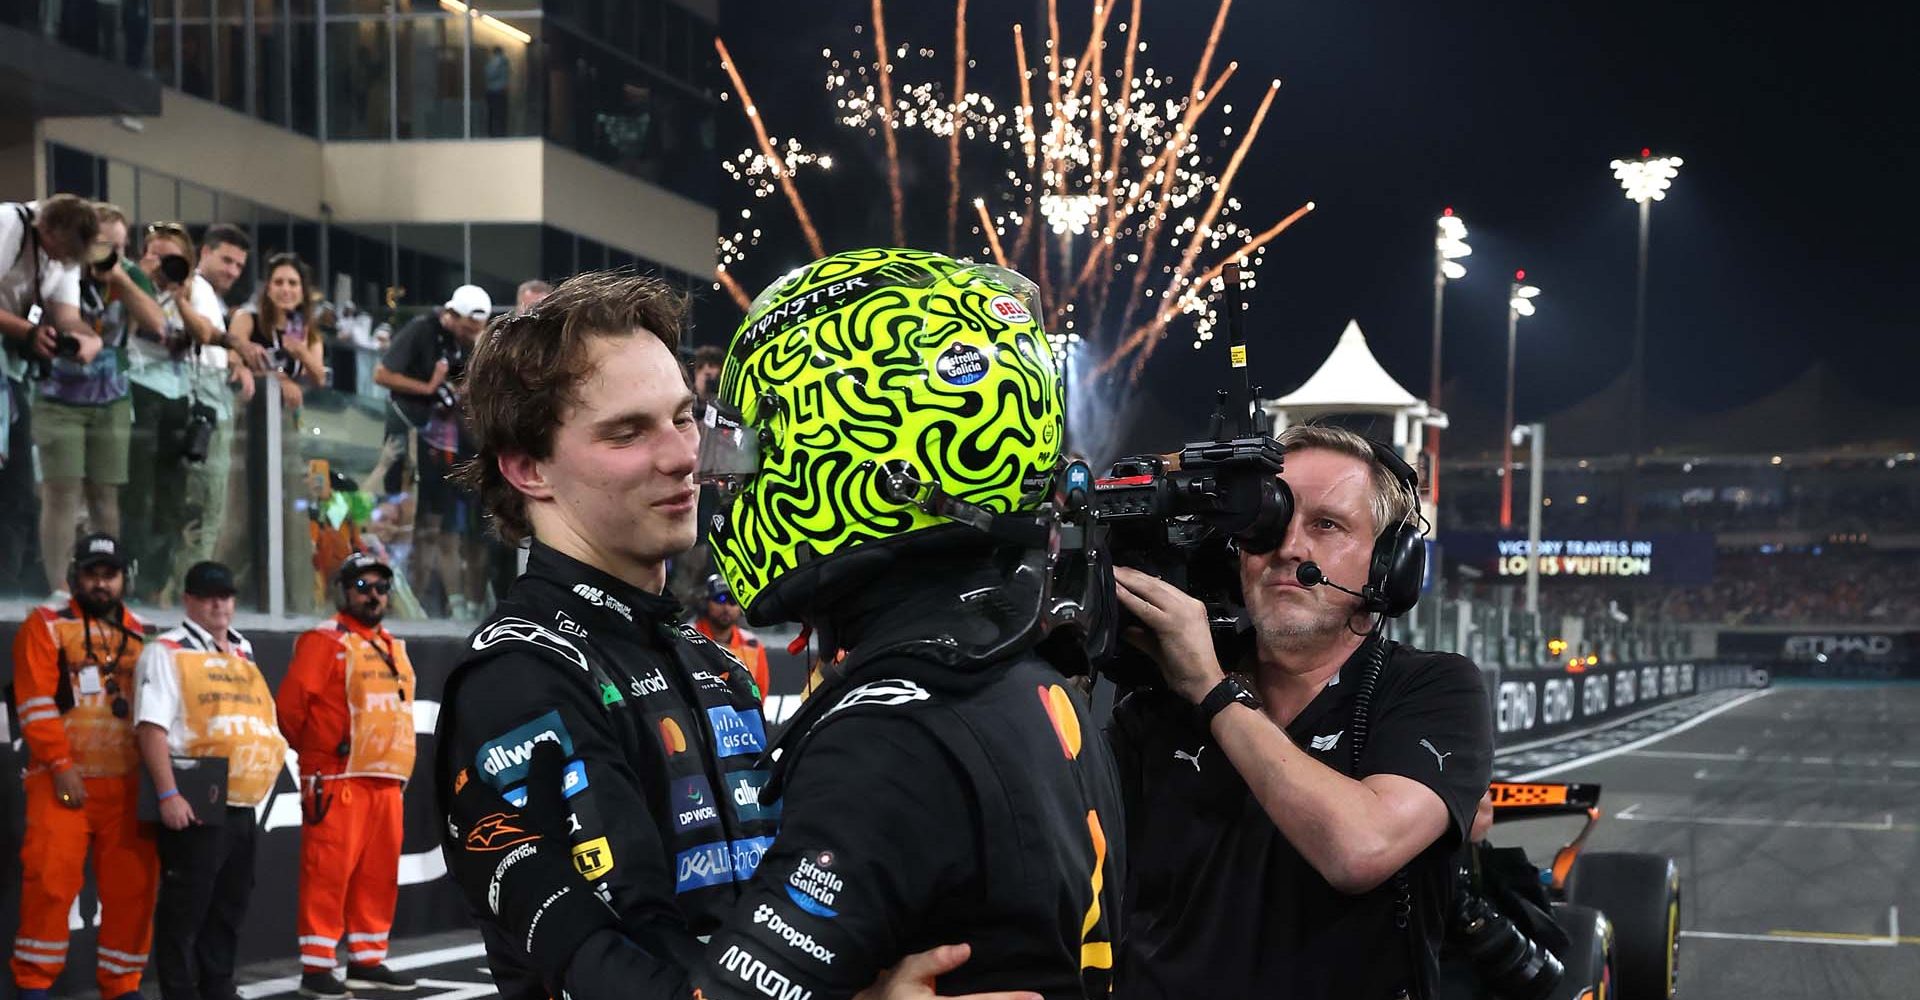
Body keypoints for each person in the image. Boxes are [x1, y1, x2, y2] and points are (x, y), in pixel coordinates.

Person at [434, 269, 1036, 1000]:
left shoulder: (711, 660)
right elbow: (618, 970)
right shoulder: (520, 675)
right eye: (628, 432)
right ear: (529, 469)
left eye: (684, 417)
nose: (685, 456)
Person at [1105, 425, 1495, 999]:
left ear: (1389, 562)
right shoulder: (1158, 702)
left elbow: (1360, 848)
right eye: (1268, 523)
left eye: (1326, 525)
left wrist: (1213, 691)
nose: (1289, 548)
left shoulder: (1433, 688)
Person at [9, 532, 156, 1000]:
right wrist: (59, 765)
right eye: (91, 573)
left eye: (109, 575)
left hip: (130, 785)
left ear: (123, 579)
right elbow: (33, 704)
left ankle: (122, 984)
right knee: (50, 885)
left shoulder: (146, 635)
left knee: (133, 892)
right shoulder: (46, 625)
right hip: (61, 783)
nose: (100, 583)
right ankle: (33, 984)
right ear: (75, 576)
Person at [133, 560, 289, 1000]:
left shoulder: (243, 649)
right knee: (185, 910)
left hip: (241, 800)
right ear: (188, 601)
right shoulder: (165, 650)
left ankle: (219, 987)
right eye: (207, 596)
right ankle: (180, 993)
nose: (219, 605)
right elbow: (150, 728)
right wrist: (168, 794)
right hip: (194, 795)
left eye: (225, 596)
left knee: (229, 906)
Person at [275, 553, 419, 998]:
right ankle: (317, 967)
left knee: (377, 876)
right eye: (362, 586)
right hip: (337, 779)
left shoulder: (394, 644)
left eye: (380, 587)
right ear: (344, 591)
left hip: (385, 781)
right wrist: (318, 756)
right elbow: (290, 710)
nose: (372, 595)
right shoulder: (324, 640)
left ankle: (367, 958)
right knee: (328, 873)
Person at [35, 202, 165, 594]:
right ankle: (59, 588)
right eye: (105, 245)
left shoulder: (127, 277)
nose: (112, 254)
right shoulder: (59, 269)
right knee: (61, 491)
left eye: (122, 247)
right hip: (58, 394)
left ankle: (109, 582)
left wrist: (121, 280)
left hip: (110, 399)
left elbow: (158, 325)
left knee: (105, 496)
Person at [121, 221, 253, 605]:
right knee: (138, 496)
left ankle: (154, 585)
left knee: (172, 500)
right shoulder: (131, 283)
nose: (164, 265)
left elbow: (204, 334)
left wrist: (179, 295)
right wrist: (139, 281)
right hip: (140, 391)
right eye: (157, 256)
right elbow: (134, 325)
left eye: (173, 259)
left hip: (179, 397)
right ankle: (131, 578)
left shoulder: (194, 292)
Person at [0, 194, 101, 593]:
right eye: (57, 252)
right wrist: (27, 332)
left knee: (19, 489)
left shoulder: (62, 253)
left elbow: (67, 314)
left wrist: (86, 341)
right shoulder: (10, 225)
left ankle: (8, 585)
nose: (59, 261)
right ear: (46, 228)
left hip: (11, 370)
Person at [372, 284, 490, 617]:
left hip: (443, 446)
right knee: (413, 523)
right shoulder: (422, 330)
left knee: (435, 526)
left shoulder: (464, 344)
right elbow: (381, 374)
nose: (471, 337)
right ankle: (411, 603)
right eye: (467, 329)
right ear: (451, 316)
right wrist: (427, 387)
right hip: (409, 437)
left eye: (475, 332)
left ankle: (426, 603)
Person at [231, 252, 328, 611]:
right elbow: (233, 353)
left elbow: (319, 375)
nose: (286, 290)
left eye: (293, 284)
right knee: (240, 516)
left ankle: (290, 601)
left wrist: (298, 349)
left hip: (286, 432)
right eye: (279, 283)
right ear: (267, 288)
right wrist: (280, 377)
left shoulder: (306, 331)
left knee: (288, 519)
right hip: (246, 427)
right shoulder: (247, 318)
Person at [690, 574, 769, 702]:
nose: (726, 608)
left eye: (732, 601)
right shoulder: (686, 638)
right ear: (706, 603)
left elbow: (760, 694)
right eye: (720, 600)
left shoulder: (753, 645)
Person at [485, 46, 511, 136]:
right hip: (499, 91)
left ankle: (494, 133)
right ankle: (499, 132)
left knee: (494, 114)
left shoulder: (496, 62)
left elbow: (489, 74)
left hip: (495, 91)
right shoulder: (503, 62)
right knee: (499, 115)